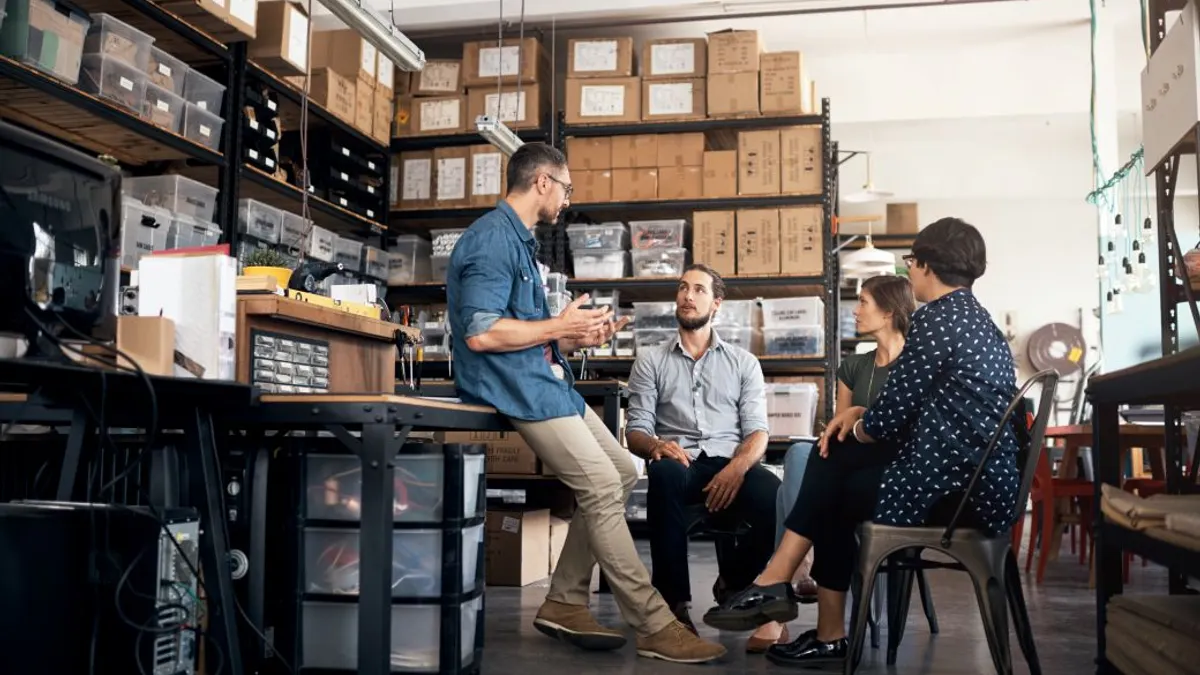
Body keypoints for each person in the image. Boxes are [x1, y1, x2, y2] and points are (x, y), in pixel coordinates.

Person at [446, 143, 726, 664]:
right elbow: (482, 334)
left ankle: (565, 602)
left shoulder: (520, 241)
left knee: (620, 471)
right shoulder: (490, 240)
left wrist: (574, 338)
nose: (568, 201)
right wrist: (558, 326)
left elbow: (522, 331)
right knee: (599, 484)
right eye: (568, 189)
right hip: (515, 387)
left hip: (542, 379)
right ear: (543, 182)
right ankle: (655, 623)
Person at [702, 218, 1020, 668]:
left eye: (911, 262)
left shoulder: (936, 319)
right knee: (836, 466)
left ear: (927, 266)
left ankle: (785, 589)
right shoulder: (979, 321)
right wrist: (858, 420)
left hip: (957, 493)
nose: (910, 273)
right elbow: (911, 414)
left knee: (833, 470)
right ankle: (788, 590)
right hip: (979, 483)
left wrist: (854, 422)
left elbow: (889, 418)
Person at [624, 264, 783, 651]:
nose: (687, 296)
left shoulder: (744, 362)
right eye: (682, 288)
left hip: (732, 461)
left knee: (775, 495)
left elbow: (758, 432)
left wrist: (737, 468)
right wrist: (655, 446)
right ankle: (674, 607)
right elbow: (636, 430)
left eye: (698, 290)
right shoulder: (651, 360)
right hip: (681, 462)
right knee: (662, 476)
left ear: (717, 304)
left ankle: (733, 579)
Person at [773, 275, 916, 603]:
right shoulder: (853, 366)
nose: (854, 311)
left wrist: (862, 416)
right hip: (850, 462)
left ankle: (790, 573)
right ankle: (796, 568)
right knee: (797, 454)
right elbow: (840, 432)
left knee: (787, 491)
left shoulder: (914, 366)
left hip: (886, 473)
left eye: (863, 302)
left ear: (888, 312)